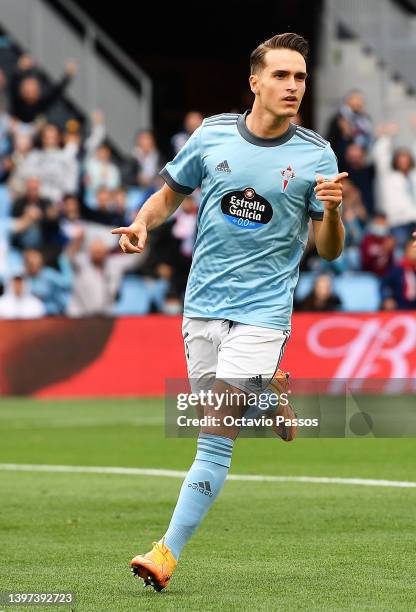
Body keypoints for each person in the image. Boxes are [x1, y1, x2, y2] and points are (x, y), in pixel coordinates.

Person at [112, 32, 347, 591]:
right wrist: (144, 221)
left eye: (301, 78)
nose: (293, 86)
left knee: (214, 433)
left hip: (264, 312)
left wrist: (335, 213)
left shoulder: (316, 154)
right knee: (218, 414)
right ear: (255, 81)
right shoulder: (213, 134)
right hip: (202, 306)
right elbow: (171, 191)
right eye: (283, 76)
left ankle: (166, 552)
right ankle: (271, 393)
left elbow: (330, 250)